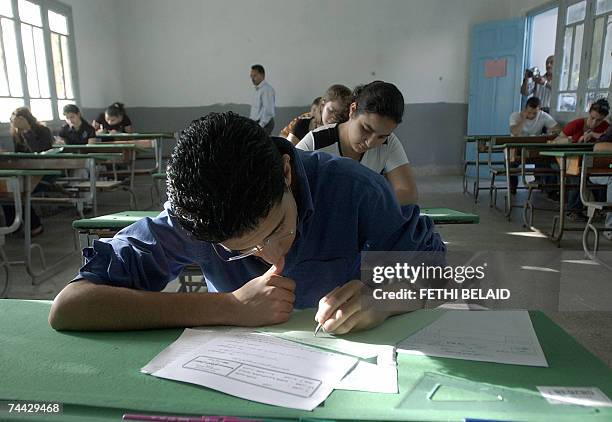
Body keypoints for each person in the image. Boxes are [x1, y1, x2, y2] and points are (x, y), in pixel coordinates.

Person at [48, 112, 445, 333]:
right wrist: (229, 306)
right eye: (241, 251)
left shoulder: (354, 189)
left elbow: (448, 272)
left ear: (286, 174)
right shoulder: (194, 216)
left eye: (277, 229)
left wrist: (385, 297)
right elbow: (70, 307)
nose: (274, 259)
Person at [296, 81, 418, 205]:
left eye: (381, 137)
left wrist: (364, 203)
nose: (370, 142)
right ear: (352, 110)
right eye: (366, 129)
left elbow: (408, 193)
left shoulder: (389, 142)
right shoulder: (315, 142)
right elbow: (287, 188)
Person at [3, 107, 55, 236]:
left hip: (44, 171)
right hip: (26, 171)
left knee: (20, 191)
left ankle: (34, 226)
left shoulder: (43, 131)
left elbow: (39, 153)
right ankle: (13, 226)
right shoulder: (17, 133)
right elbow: (19, 156)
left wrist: (27, 131)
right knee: (7, 191)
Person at [557, 99, 610, 221]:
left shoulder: (606, 128)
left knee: (603, 173)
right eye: (592, 118)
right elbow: (557, 140)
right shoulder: (576, 124)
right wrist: (573, 141)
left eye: (599, 120)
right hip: (571, 160)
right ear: (589, 112)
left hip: (593, 162)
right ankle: (573, 210)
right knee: (577, 176)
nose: (595, 122)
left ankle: (601, 209)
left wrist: (595, 135)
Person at [249, 64, 276, 136]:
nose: (252, 79)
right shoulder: (258, 90)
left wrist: (260, 126)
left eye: (254, 76)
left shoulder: (267, 90)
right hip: (258, 123)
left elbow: (268, 110)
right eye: (251, 76)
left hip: (264, 123)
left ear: (262, 75)